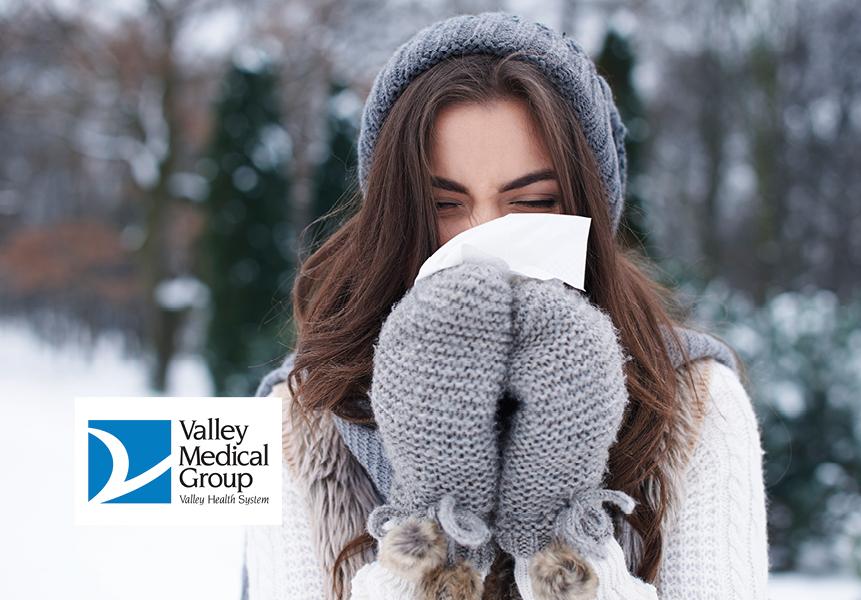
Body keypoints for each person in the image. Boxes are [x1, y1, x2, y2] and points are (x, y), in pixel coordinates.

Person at [242, 10, 769, 600]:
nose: (485, 238)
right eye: (444, 204)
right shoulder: (297, 417)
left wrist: (561, 536)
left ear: (586, 206)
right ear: (396, 215)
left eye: (534, 201)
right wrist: (435, 528)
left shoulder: (695, 402)